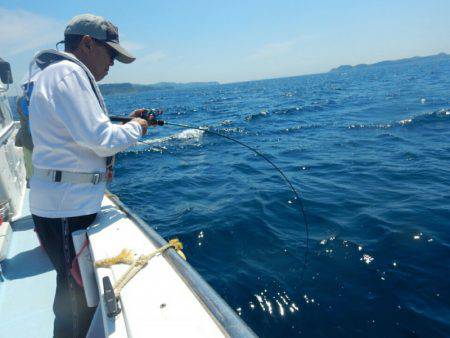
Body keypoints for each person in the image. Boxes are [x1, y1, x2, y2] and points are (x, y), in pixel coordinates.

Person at [27, 14, 149, 337]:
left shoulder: (55, 76)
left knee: (71, 295)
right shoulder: (69, 75)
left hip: (61, 208)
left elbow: (80, 135)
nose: (112, 64)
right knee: (76, 308)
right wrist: (137, 128)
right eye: (110, 54)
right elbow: (100, 138)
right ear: (87, 44)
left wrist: (123, 125)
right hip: (66, 212)